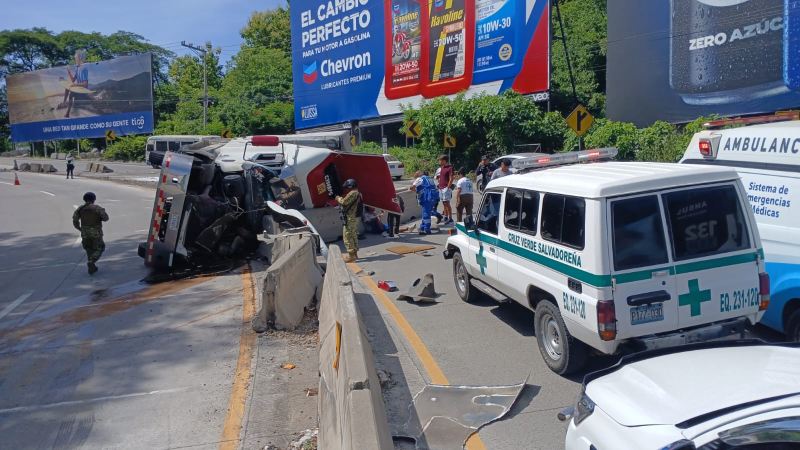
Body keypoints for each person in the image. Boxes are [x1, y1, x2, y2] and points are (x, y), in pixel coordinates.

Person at [73, 192, 109, 274]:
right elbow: (106, 218)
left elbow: (75, 220)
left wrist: (80, 229)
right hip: (96, 232)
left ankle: (91, 266)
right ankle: (92, 261)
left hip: (85, 232)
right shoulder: (97, 208)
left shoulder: (80, 209)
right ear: (94, 199)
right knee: (100, 248)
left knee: (89, 248)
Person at [336, 179, 362, 263]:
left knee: (347, 236)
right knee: (353, 235)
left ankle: (351, 256)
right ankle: (355, 254)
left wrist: (338, 198)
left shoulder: (353, 193)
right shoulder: (358, 193)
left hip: (350, 218)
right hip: (354, 217)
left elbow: (344, 202)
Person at [58, 50, 90, 118]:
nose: (75, 59)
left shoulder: (84, 68)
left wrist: (75, 85)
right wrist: (69, 71)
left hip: (83, 89)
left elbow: (85, 84)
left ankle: (67, 113)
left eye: (76, 58)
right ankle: (64, 103)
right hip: (79, 88)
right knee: (67, 87)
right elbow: (73, 80)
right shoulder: (77, 69)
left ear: (80, 58)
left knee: (71, 94)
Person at [411, 170, 438, 235]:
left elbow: (412, 187)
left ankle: (426, 229)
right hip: (433, 197)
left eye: (416, 175)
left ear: (418, 174)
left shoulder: (420, 179)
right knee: (426, 212)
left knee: (426, 213)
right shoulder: (429, 178)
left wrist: (415, 190)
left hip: (427, 198)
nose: (415, 176)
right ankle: (422, 227)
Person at [437, 154, 454, 225]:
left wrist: (448, 187)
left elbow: (451, 178)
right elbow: (440, 177)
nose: (439, 162)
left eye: (440, 160)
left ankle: (450, 218)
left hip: (446, 188)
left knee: (447, 203)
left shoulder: (450, 168)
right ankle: (446, 216)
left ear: (444, 161)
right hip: (441, 188)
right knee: (444, 203)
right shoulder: (442, 167)